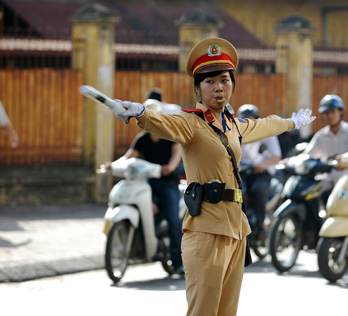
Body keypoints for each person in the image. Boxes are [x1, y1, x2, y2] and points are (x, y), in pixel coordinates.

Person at [108, 37, 315, 316]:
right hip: (206, 229)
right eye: (209, 81)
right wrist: (141, 113)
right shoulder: (191, 122)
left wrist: (292, 122)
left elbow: (263, 125)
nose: (219, 86)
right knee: (203, 312)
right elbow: (166, 123)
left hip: (236, 229)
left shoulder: (233, 125)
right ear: (198, 88)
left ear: (232, 84)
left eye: (225, 80)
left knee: (227, 312)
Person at [116, 90, 184, 275]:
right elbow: (130, 157)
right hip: (147, 185)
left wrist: (169, 167)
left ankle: (178, 262)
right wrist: (112, 166)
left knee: (173, 221)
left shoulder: (170, 136)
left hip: (168, 184)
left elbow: (176, 155)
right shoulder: (143, 139)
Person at [237, 104, 282, 241]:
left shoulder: (267, 132)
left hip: (262, 173)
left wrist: (263, 165)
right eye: (245, 120)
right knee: (235, 194)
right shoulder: (235, 134)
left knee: (257, 191)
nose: (249, 123)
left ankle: (262, 225)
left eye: (252, 120)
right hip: (243, 173)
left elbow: (276, 155)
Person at [303, 94, 348, 185]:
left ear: (341, 112)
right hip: (327, 180)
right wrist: (292, 161)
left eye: (332, 111)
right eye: (326, 113)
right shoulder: (320, 136)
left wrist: (343, 160)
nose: (330, 116)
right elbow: (308, 156)